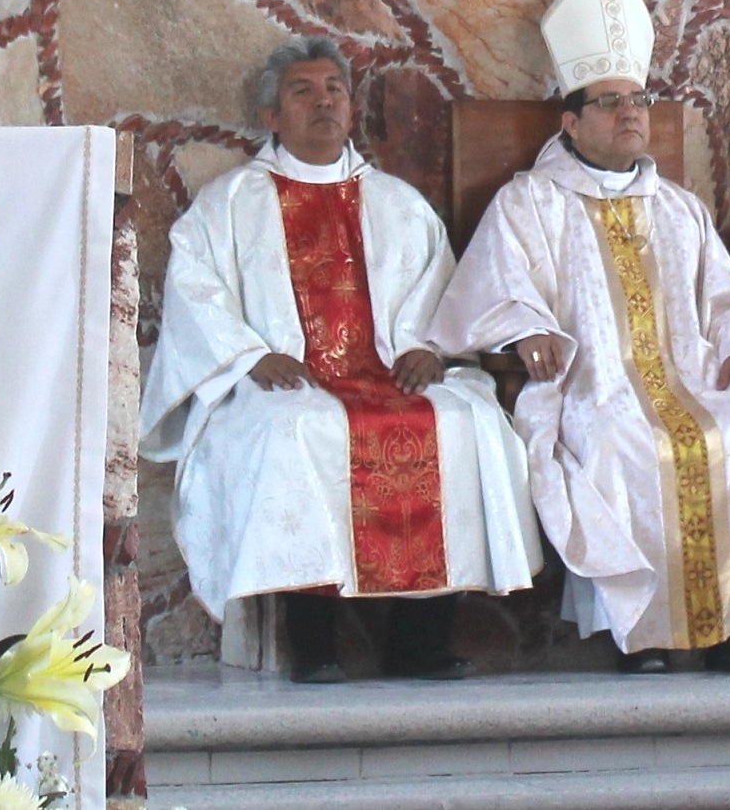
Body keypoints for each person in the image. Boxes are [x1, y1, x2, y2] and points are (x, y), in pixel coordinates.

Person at [427, 0, 730, 675]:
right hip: (589, 384)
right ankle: (639, 629)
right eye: (611, 102)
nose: (631, 113)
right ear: (572, 121)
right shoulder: (532, 201)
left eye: (639, 99)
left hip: (689, 379)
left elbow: (728, 296)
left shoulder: (678, 206)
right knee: (618, 440)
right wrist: (525, 328)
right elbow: (491, 287)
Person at [138, 38, 541, 684]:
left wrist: (422, 345)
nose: (323, 101)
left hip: (388, 373)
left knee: (465, 421)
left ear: (351, 111)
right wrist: (250, 353)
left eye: (335, 90)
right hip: (290, 378)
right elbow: (196, 293)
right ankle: (314, 641)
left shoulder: (397, 202)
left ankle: (423, 640)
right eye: (303, 90)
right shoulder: (230, 203)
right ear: (272, 115)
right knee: (293, 429)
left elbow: (438, 289)